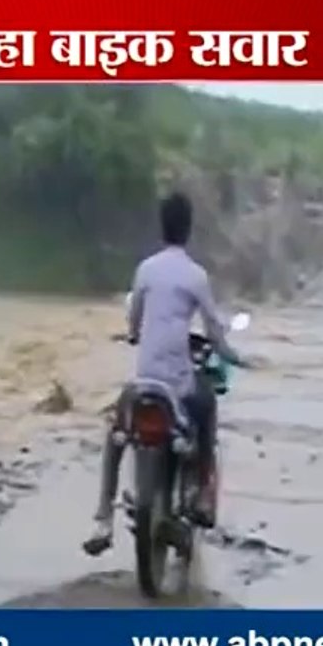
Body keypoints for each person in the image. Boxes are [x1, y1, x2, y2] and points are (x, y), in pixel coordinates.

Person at [82, 192, 249, 556]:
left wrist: (134, 335)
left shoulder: (145, 270)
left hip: (144, 381)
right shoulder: (196, 276)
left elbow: (134, 322)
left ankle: (102, 519)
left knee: (116, 433)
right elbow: (215, 332)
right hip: (178, 382)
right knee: (206, 409)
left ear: (162, 227)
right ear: (189, 229)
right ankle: (202, 494)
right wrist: (234, 356)